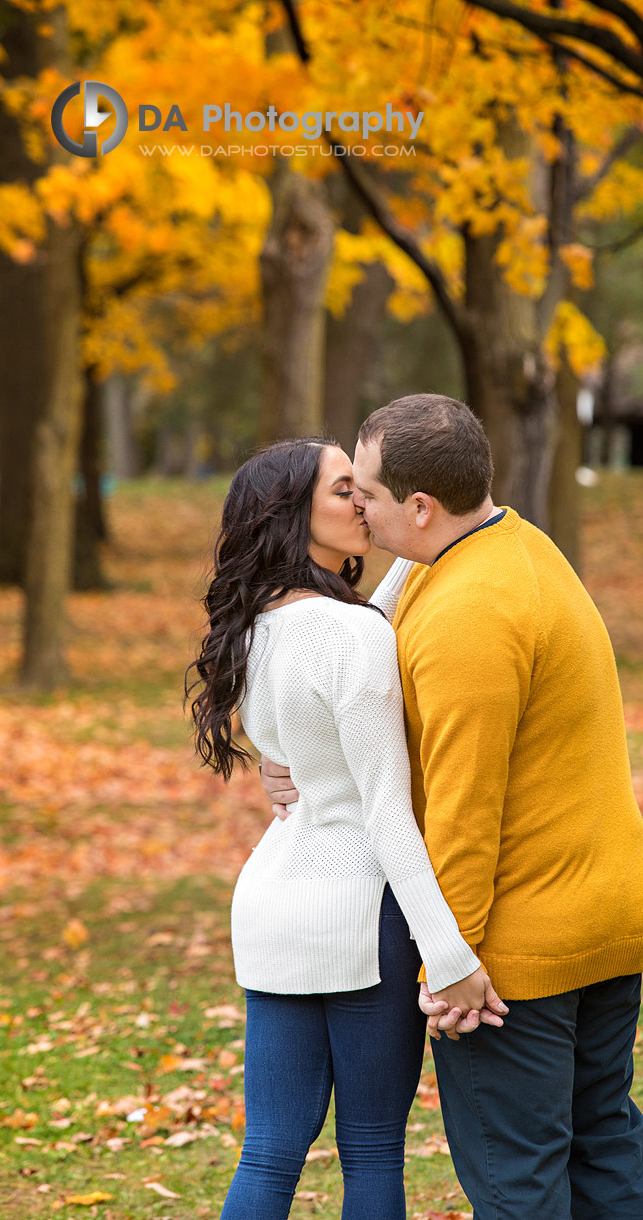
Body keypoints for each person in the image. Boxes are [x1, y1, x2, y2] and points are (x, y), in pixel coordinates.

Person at [261, 395, 643, 1220]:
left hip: (515, 950)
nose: (357, 512)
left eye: (366, 494)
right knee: (603, 1143)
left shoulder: (466, 617)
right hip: (605, 909)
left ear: (418, 506)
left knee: (517, 1180)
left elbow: (461, 810)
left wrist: (450, 968)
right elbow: (369, 628)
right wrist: (292, 741)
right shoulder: (507, 545)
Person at [184, 436, 506, 1220]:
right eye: (343, 490)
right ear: (295, 516)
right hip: (361, 910)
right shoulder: (349, 636)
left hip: (274, 899)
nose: (363, 499)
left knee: (268, 1150)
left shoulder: (255, 627)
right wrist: (451, 956)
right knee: (369, 1150)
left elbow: (357, 631)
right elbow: (386, 816)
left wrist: (414, 549)